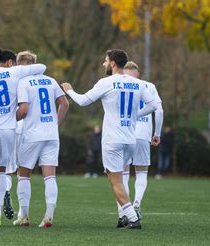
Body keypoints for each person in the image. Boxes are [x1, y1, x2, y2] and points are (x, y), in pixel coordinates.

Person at [61, 49, 158, 229]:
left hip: (112, 140)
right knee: (121, 180)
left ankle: (132, 217)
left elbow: (83, 101)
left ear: (113, 63)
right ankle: (123, 218)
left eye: (105, 61)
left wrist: (70, 90)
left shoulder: (106, 82)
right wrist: (135, 115)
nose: (104, 64)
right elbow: (152, 105)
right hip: (130, 139)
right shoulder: (137, 84)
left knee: (115, 181)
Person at [0, 47, 47, 227]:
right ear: (10, 62)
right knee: (3, 171)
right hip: (9, 129)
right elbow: (42, 67)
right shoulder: (14, 72)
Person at [13, 51, 69, 228]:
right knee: (50, 176)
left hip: (32, 134)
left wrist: (8, 119)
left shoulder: (23, 81)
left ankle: (24, 215)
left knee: (23, 174)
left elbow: (24, 110)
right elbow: (65, 103)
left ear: (20, 65)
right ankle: (49, 216)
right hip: (51, 134)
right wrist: (56, 123)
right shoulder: (51, 80)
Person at [122, 61, 164, 220]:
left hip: (124, 133)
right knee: (141, 173)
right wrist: (157, 133)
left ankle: (125, 212)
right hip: (143, 134)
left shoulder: (120, 86)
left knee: (123, 174)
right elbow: (159, 111)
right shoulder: (149, 86)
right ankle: (137, 203)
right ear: (137, 74)